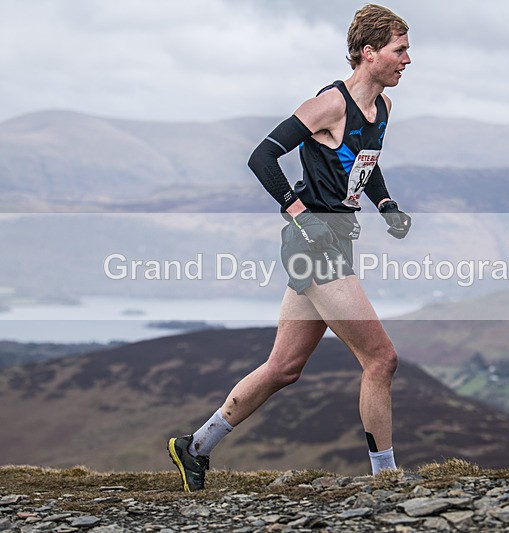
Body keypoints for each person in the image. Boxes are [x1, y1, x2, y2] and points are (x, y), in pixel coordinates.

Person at [168, 3, 412, 492]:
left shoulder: (382, 107)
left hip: (336, 240)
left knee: (283, 368)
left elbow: (363, 162)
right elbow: (262, 157)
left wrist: (386, 204)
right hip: (312, 247)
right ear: (369, 53)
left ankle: (194, 447)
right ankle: (386, 480)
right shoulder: (330, 104)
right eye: (399, 50)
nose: (407, 60)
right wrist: (299, 213)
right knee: (381, 359)